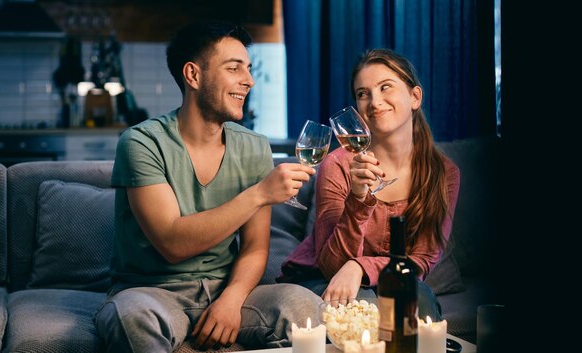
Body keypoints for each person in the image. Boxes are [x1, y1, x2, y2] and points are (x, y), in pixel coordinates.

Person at [95, 20, 323, 353]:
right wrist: (259, 193)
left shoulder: (254, 146)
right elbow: (172, 243)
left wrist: (231, 299)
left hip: (227, 288)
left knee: (305, 308)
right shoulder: (141, 143)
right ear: (193, 75)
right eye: (234, 69)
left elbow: (255, 247)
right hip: (154, 293)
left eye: (248, 69)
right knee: (131, 319)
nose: (248, 80)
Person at [277, 48, 460, 320]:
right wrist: (358, 199)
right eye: (363, 94)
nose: (374, 102)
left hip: (387, 280)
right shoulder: (338, 165)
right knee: (365, 308)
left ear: (415, 97)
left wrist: (360, 267)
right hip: (320, 278)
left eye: (386, 87)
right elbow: (331, 266)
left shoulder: (444, 173)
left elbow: (421, 261)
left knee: (418, 300)